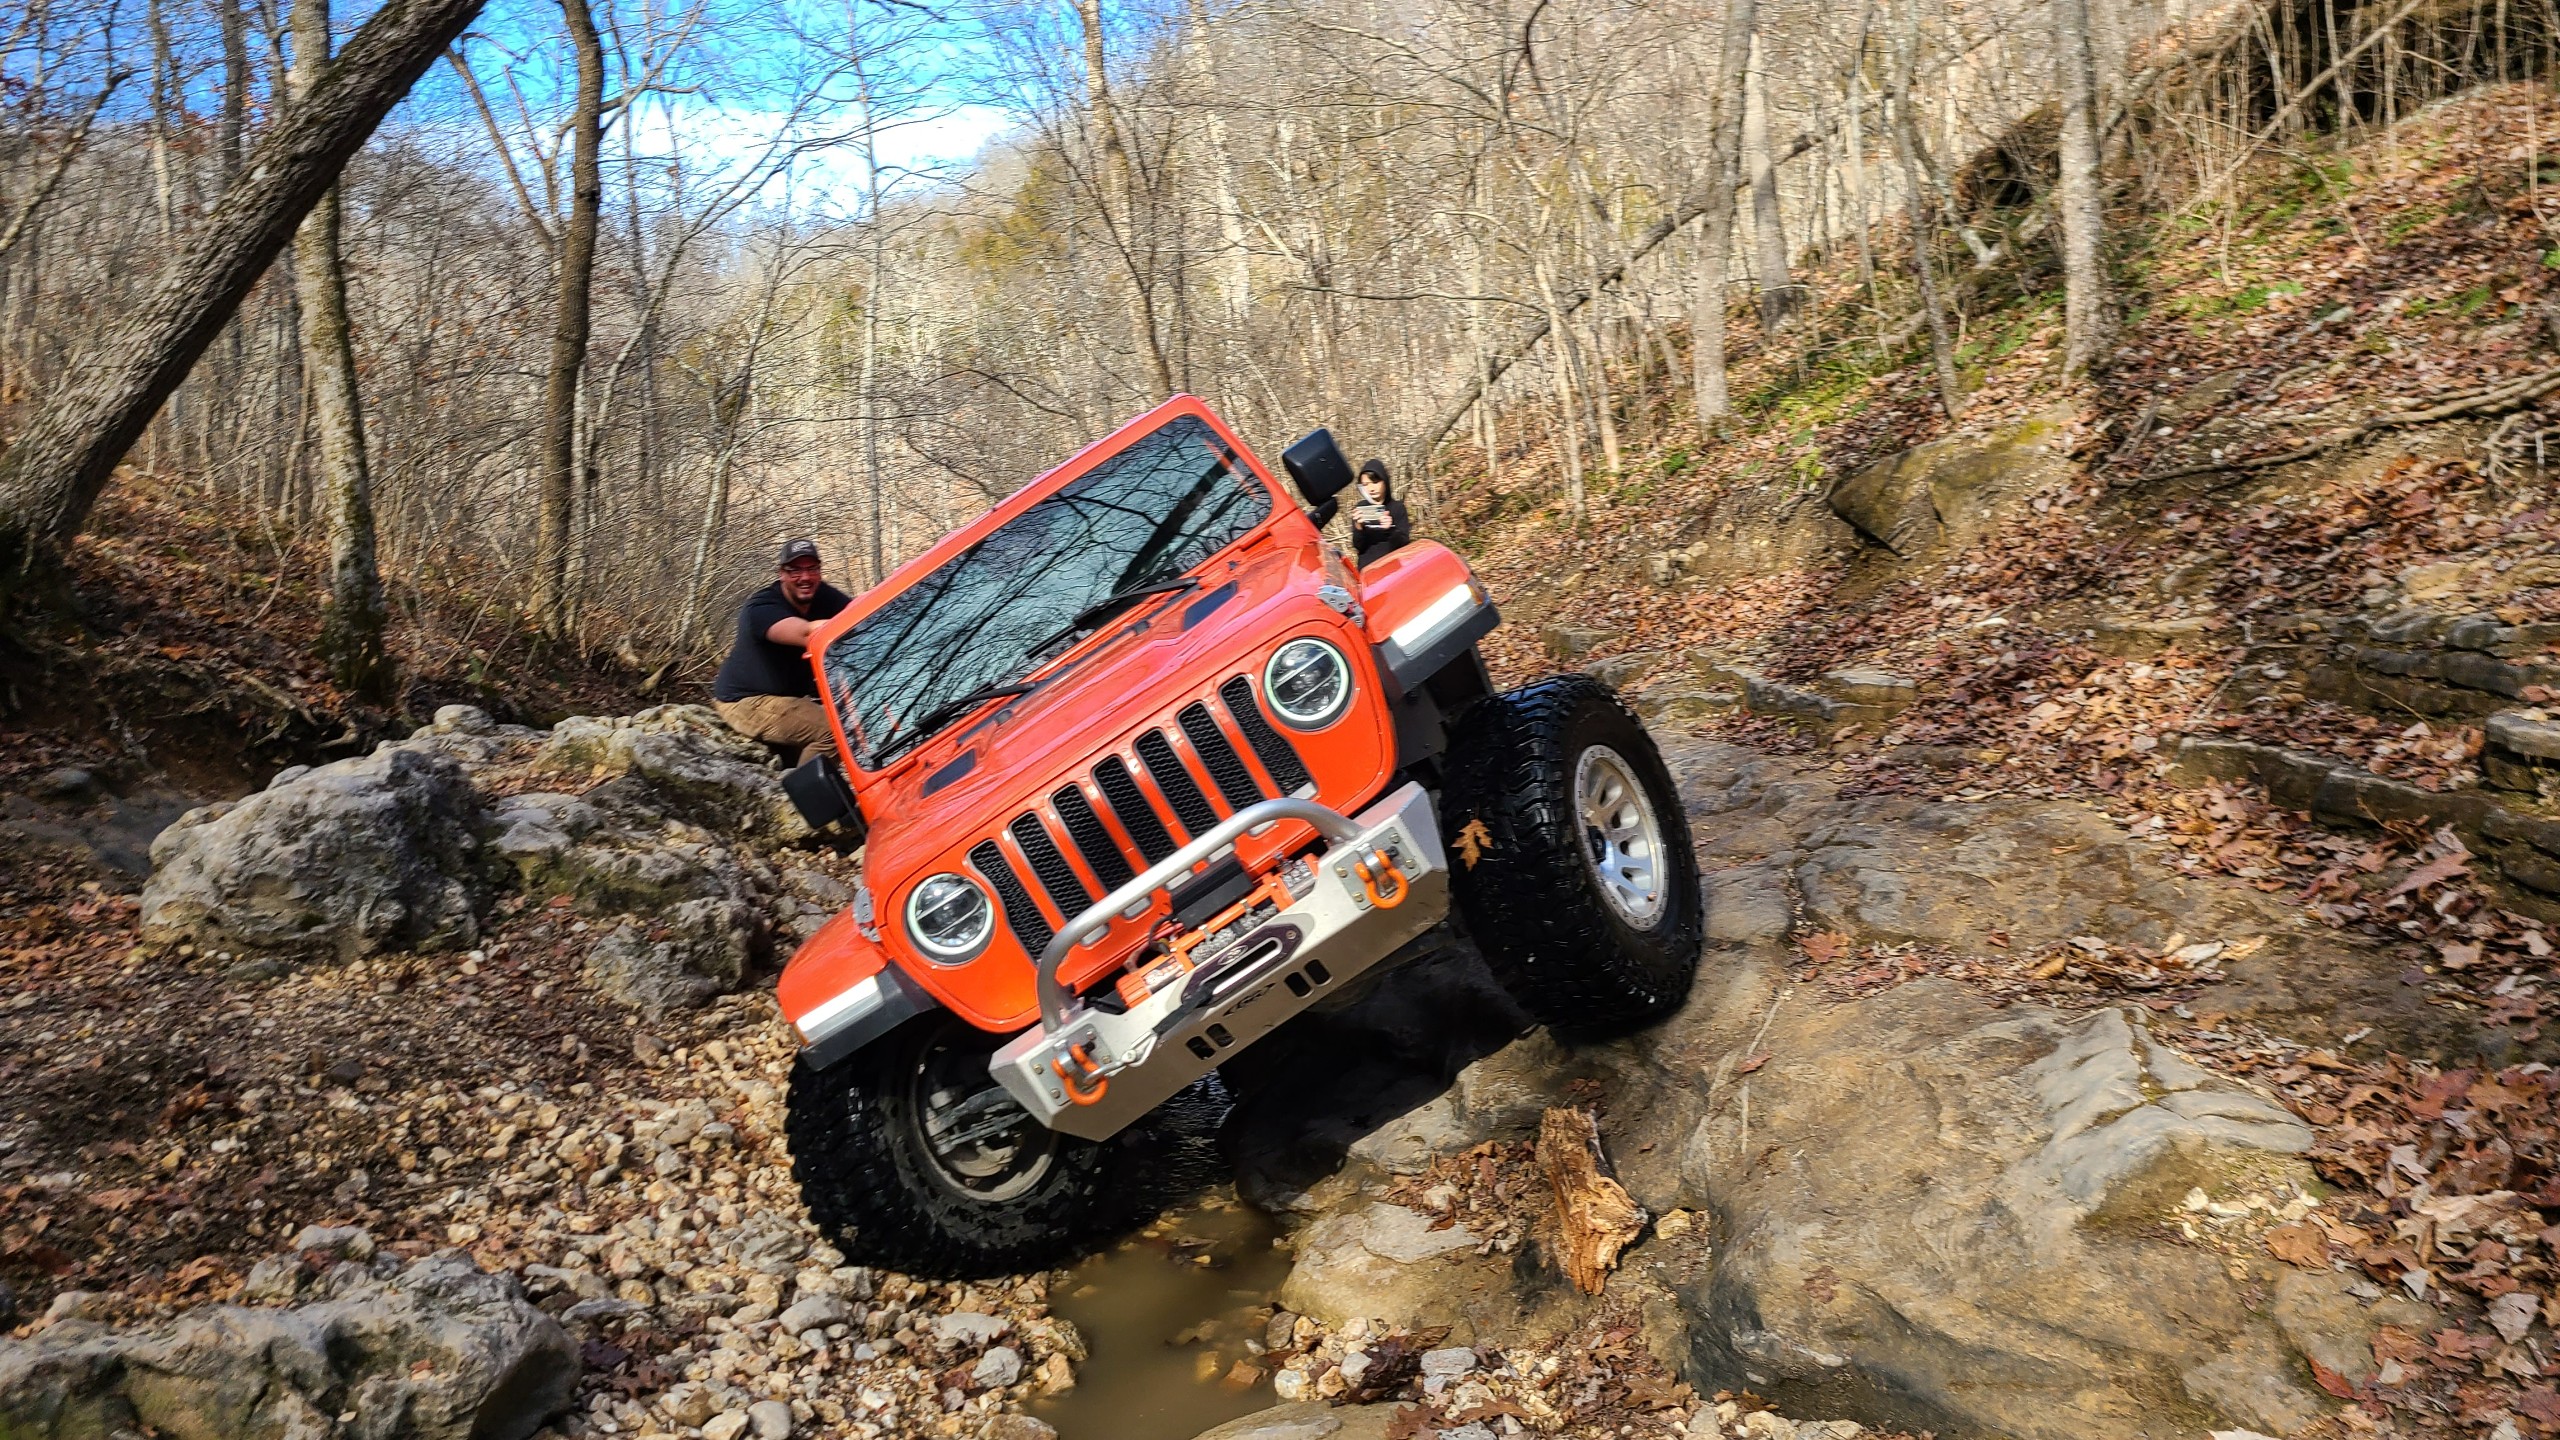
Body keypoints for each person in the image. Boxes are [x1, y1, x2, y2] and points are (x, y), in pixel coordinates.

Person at [713, 539, 852, 765]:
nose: (805, 577)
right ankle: (806, 789)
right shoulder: (761, 608)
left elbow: (859, 614)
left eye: (812, 569)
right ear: (781, 574)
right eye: (795, 570)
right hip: (746, 702)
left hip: (790, 700)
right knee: (836, 731)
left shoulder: (824, 596)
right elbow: (809, 634)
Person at [1345, 458, 1410, 567]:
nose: (1371, 488)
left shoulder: (1397, 508)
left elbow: (1404, 544)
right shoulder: (1360, 508)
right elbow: (1358, 546)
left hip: (1392, 568)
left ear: (1385, 481)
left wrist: (1390, 529)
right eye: (1365, 484)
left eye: (1375, 482)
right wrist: (1359, 528)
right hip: (1368, 569)